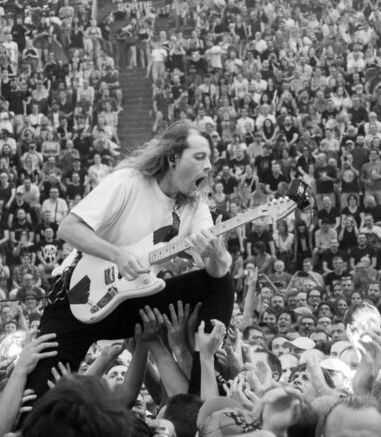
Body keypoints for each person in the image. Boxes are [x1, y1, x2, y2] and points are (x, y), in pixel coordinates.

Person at [26, 121, 234, 397]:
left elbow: (215, 268)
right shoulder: (128, 181)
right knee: (39, 396)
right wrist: (117, 255)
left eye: (209, 158)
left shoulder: (196, 207)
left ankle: (199, 402)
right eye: (199, 157)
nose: (208, 166)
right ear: (173, 157)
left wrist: (218, 255)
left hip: (133, 301)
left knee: (220, 282)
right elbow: (68, 228)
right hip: (78, 296)